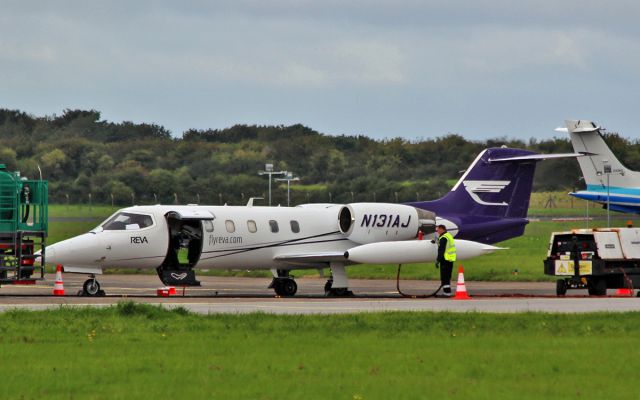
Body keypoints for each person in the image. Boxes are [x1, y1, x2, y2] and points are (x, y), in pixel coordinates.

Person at [435, 224, 456, 297]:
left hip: (445, 259)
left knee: (444, 277)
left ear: (442, 229)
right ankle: (447, 292)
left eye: (438, 230)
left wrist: (438, 260)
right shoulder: (448, 235)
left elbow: (441, 250)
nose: (437, 231)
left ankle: (447, 293)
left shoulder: (443, 238)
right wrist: (436, 241)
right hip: (450, 259)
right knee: (447, 276)